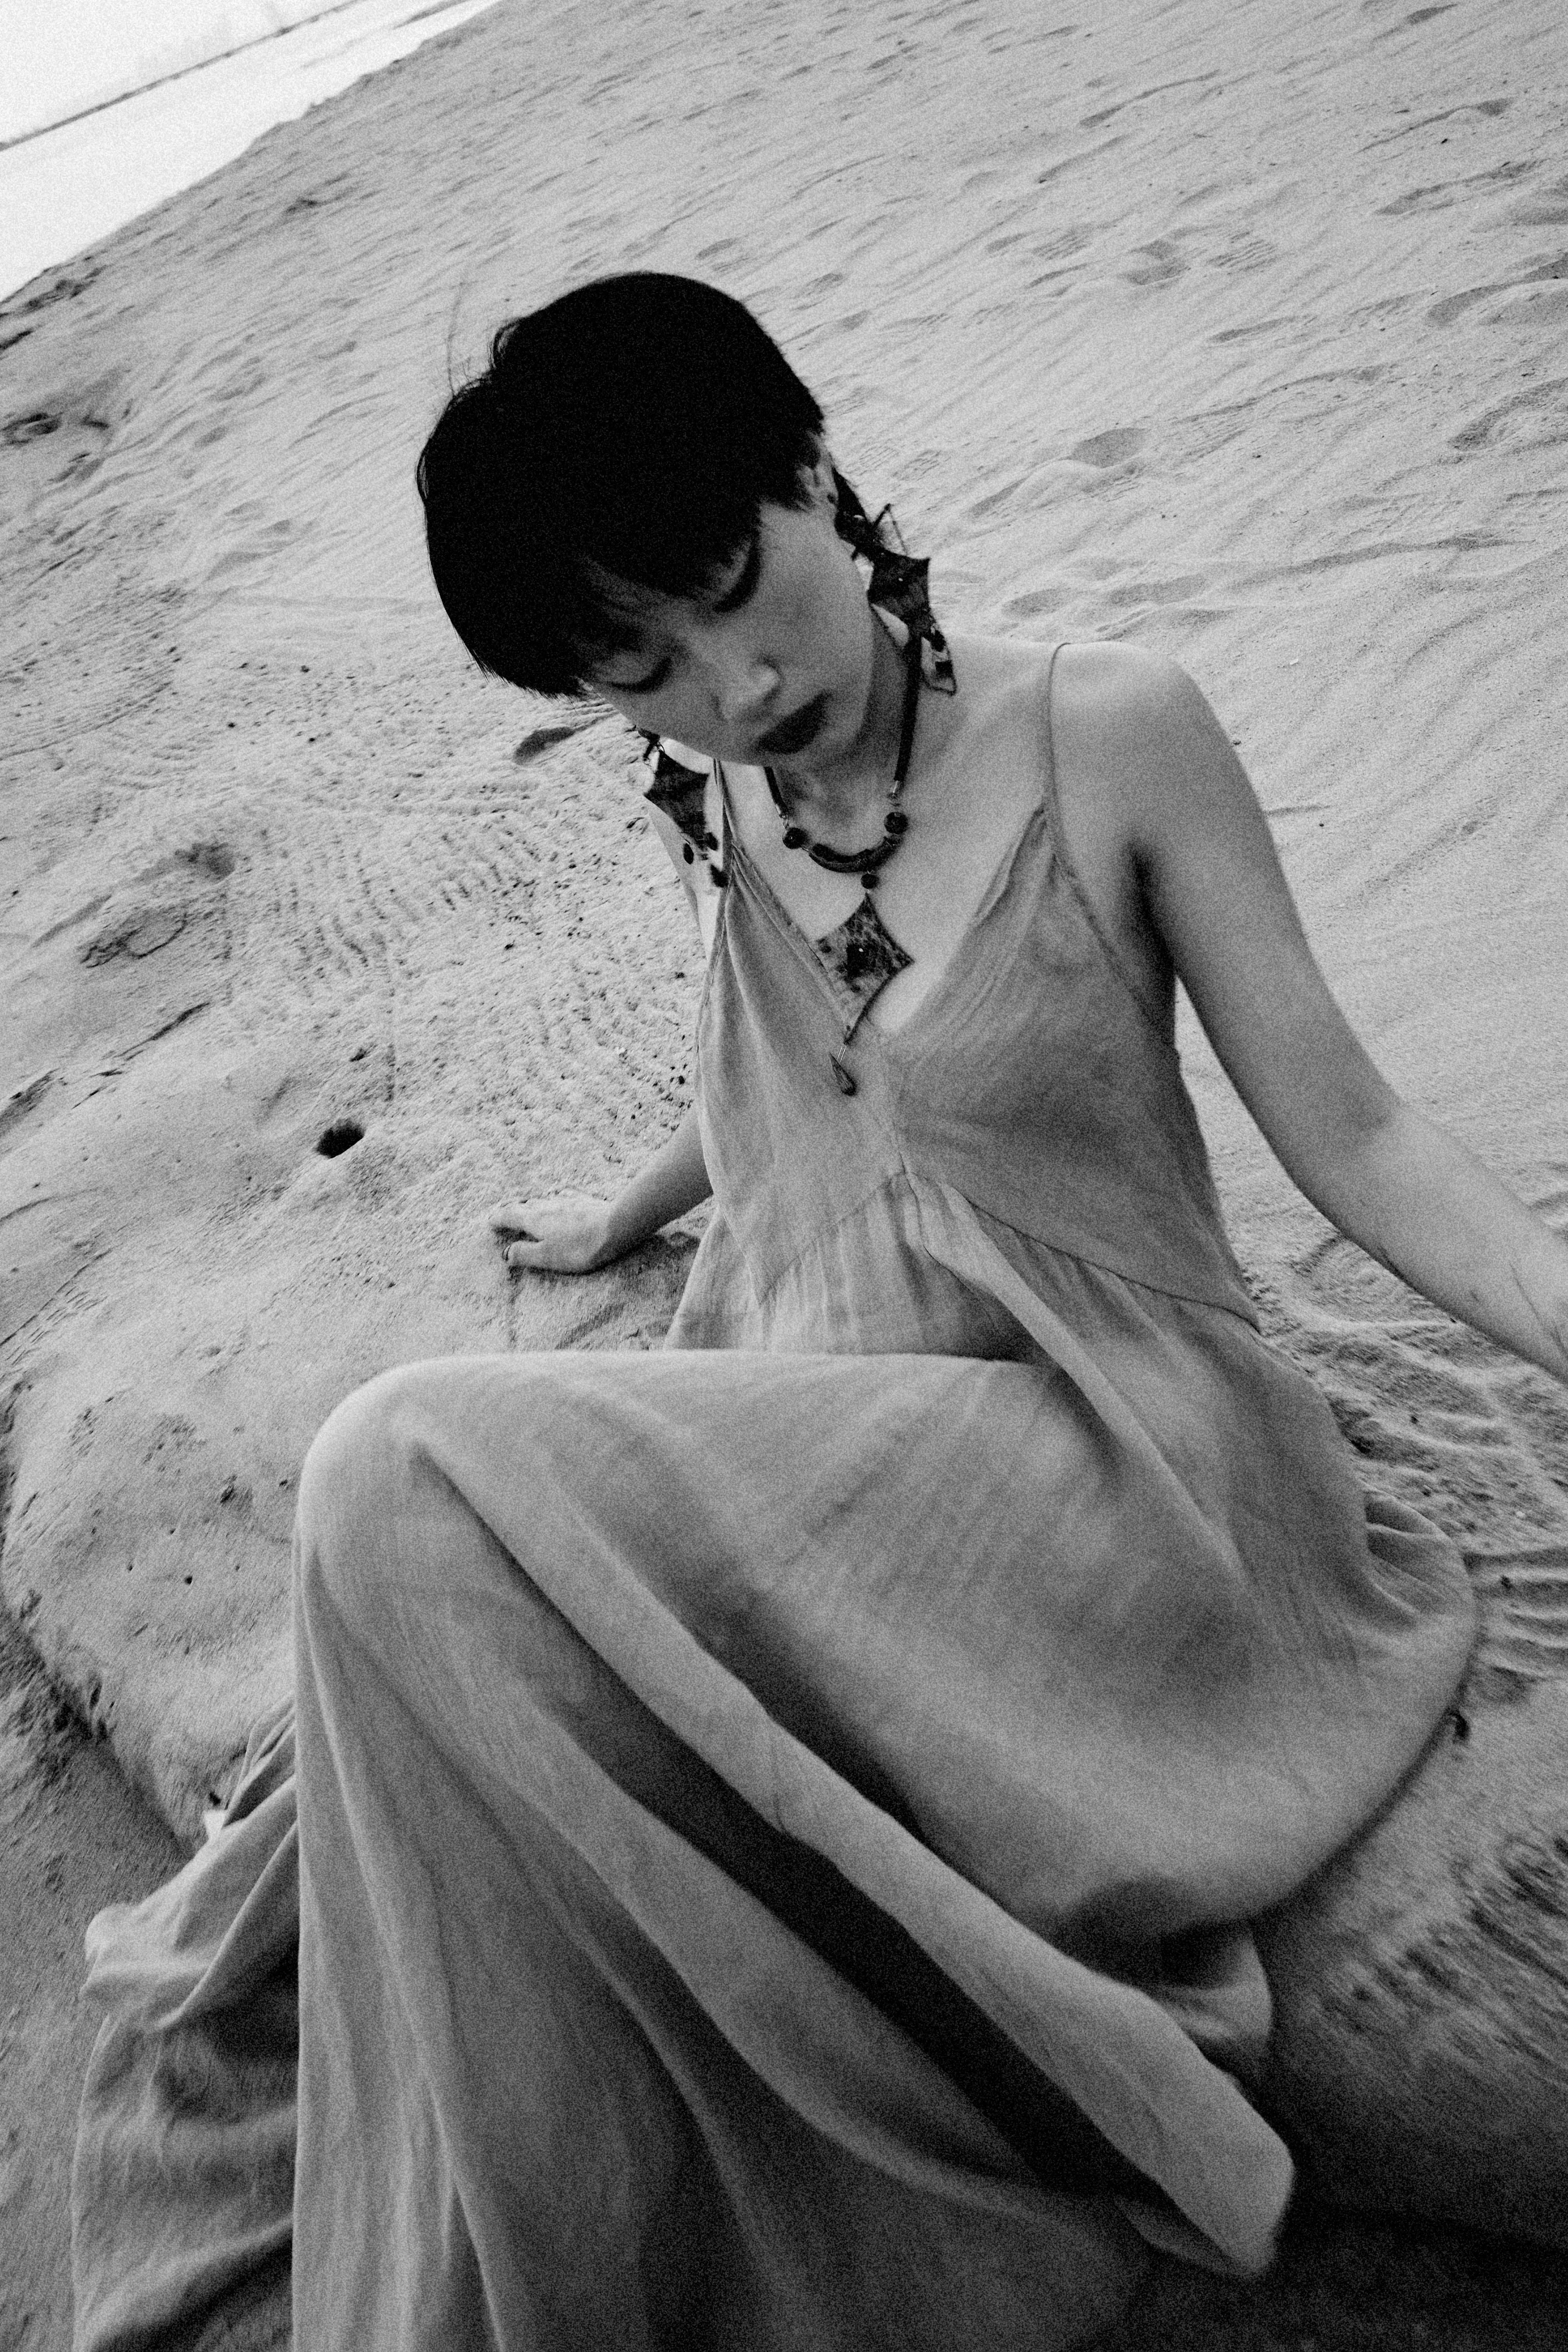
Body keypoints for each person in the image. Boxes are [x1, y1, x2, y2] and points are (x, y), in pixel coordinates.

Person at [282, 271, 1566, 2349]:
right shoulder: (726, 787)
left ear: (813, 469)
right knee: (412, 1614)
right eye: (639, 669)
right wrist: (634, 1205)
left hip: (1117, 1474)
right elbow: (813, 1064)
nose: (731, 684)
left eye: (731, 587)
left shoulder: (1108, 731)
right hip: (842, 1420)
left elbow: (1359, 1130)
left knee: (390, 1468)